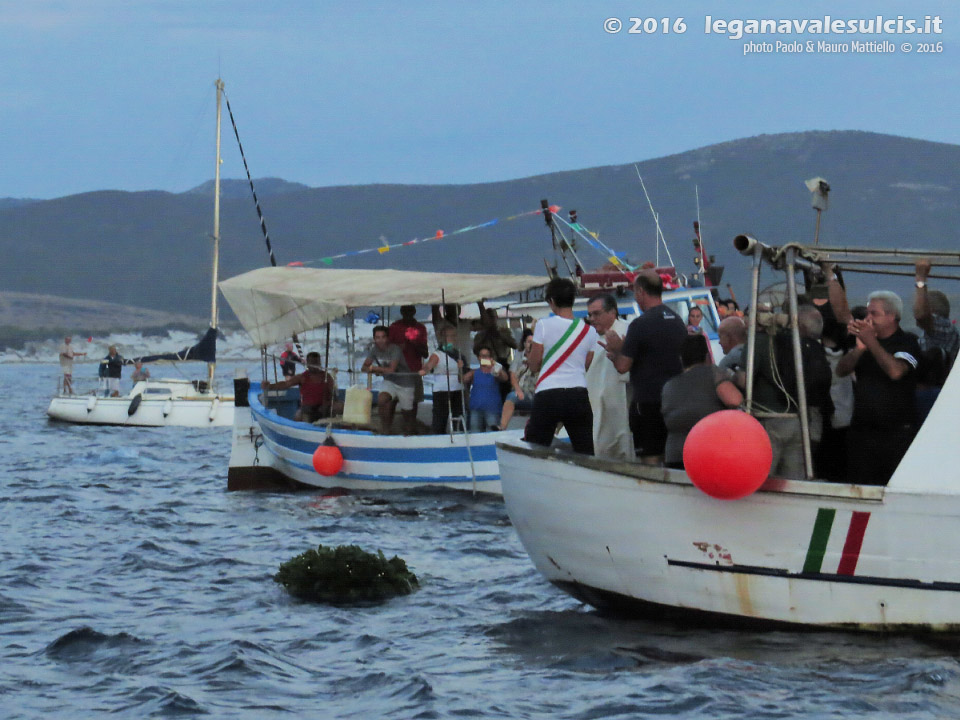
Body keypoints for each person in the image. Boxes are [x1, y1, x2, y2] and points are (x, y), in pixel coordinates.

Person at [602, 270, 687, 465]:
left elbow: (623, 366)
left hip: (648, 402)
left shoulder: (640, 325)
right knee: (671, 456)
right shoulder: (677, 321)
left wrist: (615, 352)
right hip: (674, 399)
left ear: (640, 291)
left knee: (651, 458)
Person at [837, 290, 921, 485]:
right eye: (867, 313)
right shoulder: (866, 342)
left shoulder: (908, 342)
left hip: (897, 434)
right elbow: (841, 370)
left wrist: (871, 341)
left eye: (874, 313)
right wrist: (859, 348)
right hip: (862, 433)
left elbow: (896, 372)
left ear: (892, 316)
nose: (868, 318)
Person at [525, 277, 598, 455]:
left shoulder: (543, 325)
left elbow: (534, 365)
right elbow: (586, 364)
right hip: (578, 394)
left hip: (548, 394)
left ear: (552, 301)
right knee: (585, 451)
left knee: (536, 449)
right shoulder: (590, 331)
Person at [661, 334, 744, 469]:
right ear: (707, 356)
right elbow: (735, 400)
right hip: (709, 454)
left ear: (681, 358)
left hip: (675, 454)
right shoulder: (714, 373)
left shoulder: (668, 386)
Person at [584, 294, 634, 460]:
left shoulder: (628, 332)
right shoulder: (592, 339)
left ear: (612, 312)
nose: (592, 319)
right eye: (590, 315)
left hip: (622, 407)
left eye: (596, 314)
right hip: (599, 409)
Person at [361, 325, 418, 435]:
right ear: (374, 338)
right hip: (389, 381)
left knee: (406, 412)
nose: (380, 340)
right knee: (382, 400)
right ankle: (386, 429)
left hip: (405, 382)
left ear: (387, 338)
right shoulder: (374, 350)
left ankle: (410, 430)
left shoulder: (395, 349)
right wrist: (375, 370)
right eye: (377, 337)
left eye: (383, 337)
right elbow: (364, 367)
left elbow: (391, 369)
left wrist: (374, 368)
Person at [263, 352, 338, 423]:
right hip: (307, 409)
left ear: (319, 363)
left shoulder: (327, 377)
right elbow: (286, 384)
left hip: (324, 407)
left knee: (340, 406)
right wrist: (269, 386)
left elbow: (333, 394)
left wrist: (327, 404)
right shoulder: (302, 377)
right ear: (307, 364)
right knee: (298, 415)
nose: (314, 365)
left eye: (316, 363)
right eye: (312, 363)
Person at [914, 258, 959, 370]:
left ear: (930, 309)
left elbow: (921, 315)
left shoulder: (940, 327)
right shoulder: (950, 332)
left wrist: (921, 278)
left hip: (935, 385)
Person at [420, 323, 465, 434]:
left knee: (458, 416)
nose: (452, 338)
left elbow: (462, 375)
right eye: (449, 336)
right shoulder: (437, 354)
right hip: (442, 390)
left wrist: (461, 368)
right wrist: (425, 370)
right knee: (440, 418)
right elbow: (429, 365)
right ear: (443, 338)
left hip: (457, 389)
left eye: (454, 336)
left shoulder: (458, 354)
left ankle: (458, 434)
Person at [389, 305, 429, 415]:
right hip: (397, 370)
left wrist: (414, 343)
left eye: (409, 310)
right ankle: (389, 428)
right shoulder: (394, 327)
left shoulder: (420, 328)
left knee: (413, 402)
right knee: (392, 400)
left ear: (414, 311)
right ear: (401, 311)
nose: (407, 313)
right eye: (405, 311)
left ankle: (411, 427)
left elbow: (425, 354)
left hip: (414, 370)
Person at [462, 346, 508, 432]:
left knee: (492, 436)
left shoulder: (495, 372)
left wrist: (495, 365)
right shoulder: (474, 372)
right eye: (482, 356)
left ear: (490, 358)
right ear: (479, 358)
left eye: (486, 356)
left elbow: (505, 378)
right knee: (474, 436)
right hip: (475, 410)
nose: (484, 358)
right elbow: (462, 379)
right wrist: (460, 367)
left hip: (492, 410)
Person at [498, 328, 536, 430]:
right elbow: (512, 374)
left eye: (533, 342)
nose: (530, 344)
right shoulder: (519, 356)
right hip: (522, 393)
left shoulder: (539, 357)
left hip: (534, 393)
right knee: (511, 396)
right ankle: (502, 427)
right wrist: (518, 390)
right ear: (524, 343)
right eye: (528, 342)